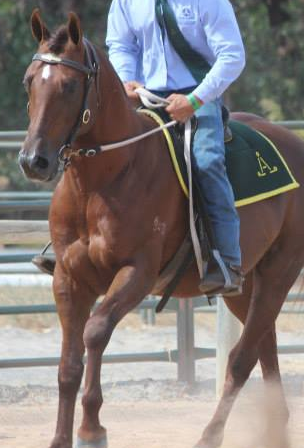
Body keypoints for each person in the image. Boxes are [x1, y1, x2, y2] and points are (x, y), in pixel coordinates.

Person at [107, 0, 246, 295]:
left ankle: (227, 261)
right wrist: (126, 79)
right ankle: (73, 245)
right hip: (145, 96)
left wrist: (195, 99)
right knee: (103, 149)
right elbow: (121, 45)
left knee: (207, 162)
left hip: (198, 96)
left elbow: (232, 56)